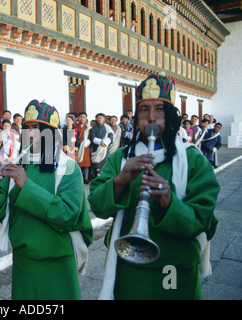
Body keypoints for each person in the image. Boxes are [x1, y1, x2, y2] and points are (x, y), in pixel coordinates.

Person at [88, 73, 220, 300]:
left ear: (170, 116)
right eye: (143, 110)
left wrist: (170, 202)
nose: (151, 118)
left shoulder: (193, 159)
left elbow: (203, 220)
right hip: (128, 267)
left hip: (173, 269)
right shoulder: (120, 158)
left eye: (159, 109)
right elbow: (98, 206)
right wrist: (121, 179)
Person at [0, 99, 93, 300]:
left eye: (37, 129)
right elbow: (4, 210)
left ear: (51, 134)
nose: (31, 134)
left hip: (57, 260)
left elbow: (68, 213)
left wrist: (27, 186)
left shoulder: (68, 167)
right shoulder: (17, 166)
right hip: (23, 260)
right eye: (27, 128)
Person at [90, 113, 114, 178]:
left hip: (105, 149)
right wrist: (100, 142)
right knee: (97, 166)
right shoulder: (94, 128)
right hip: (97, 149)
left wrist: (105, 143)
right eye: (98, 118)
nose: (100, 119)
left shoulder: (107, 127)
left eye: (101, 118)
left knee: (105, 165)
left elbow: (111, 136)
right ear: (96, 119)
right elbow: (92, 138)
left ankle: (104, 178)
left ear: (104, 119)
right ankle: (97, 178)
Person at [75, 112, 91, 184]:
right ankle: (79, 178)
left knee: (86, 163)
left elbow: (91, 137)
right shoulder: (75, 126)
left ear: (86, 118)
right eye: (81, 117)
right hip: (76, 146)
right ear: (78, 118)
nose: (82, 118)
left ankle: (86, 178)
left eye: (84, 117)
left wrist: (86, 143)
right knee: (78, 163)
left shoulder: (89, 128)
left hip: (85, 146)